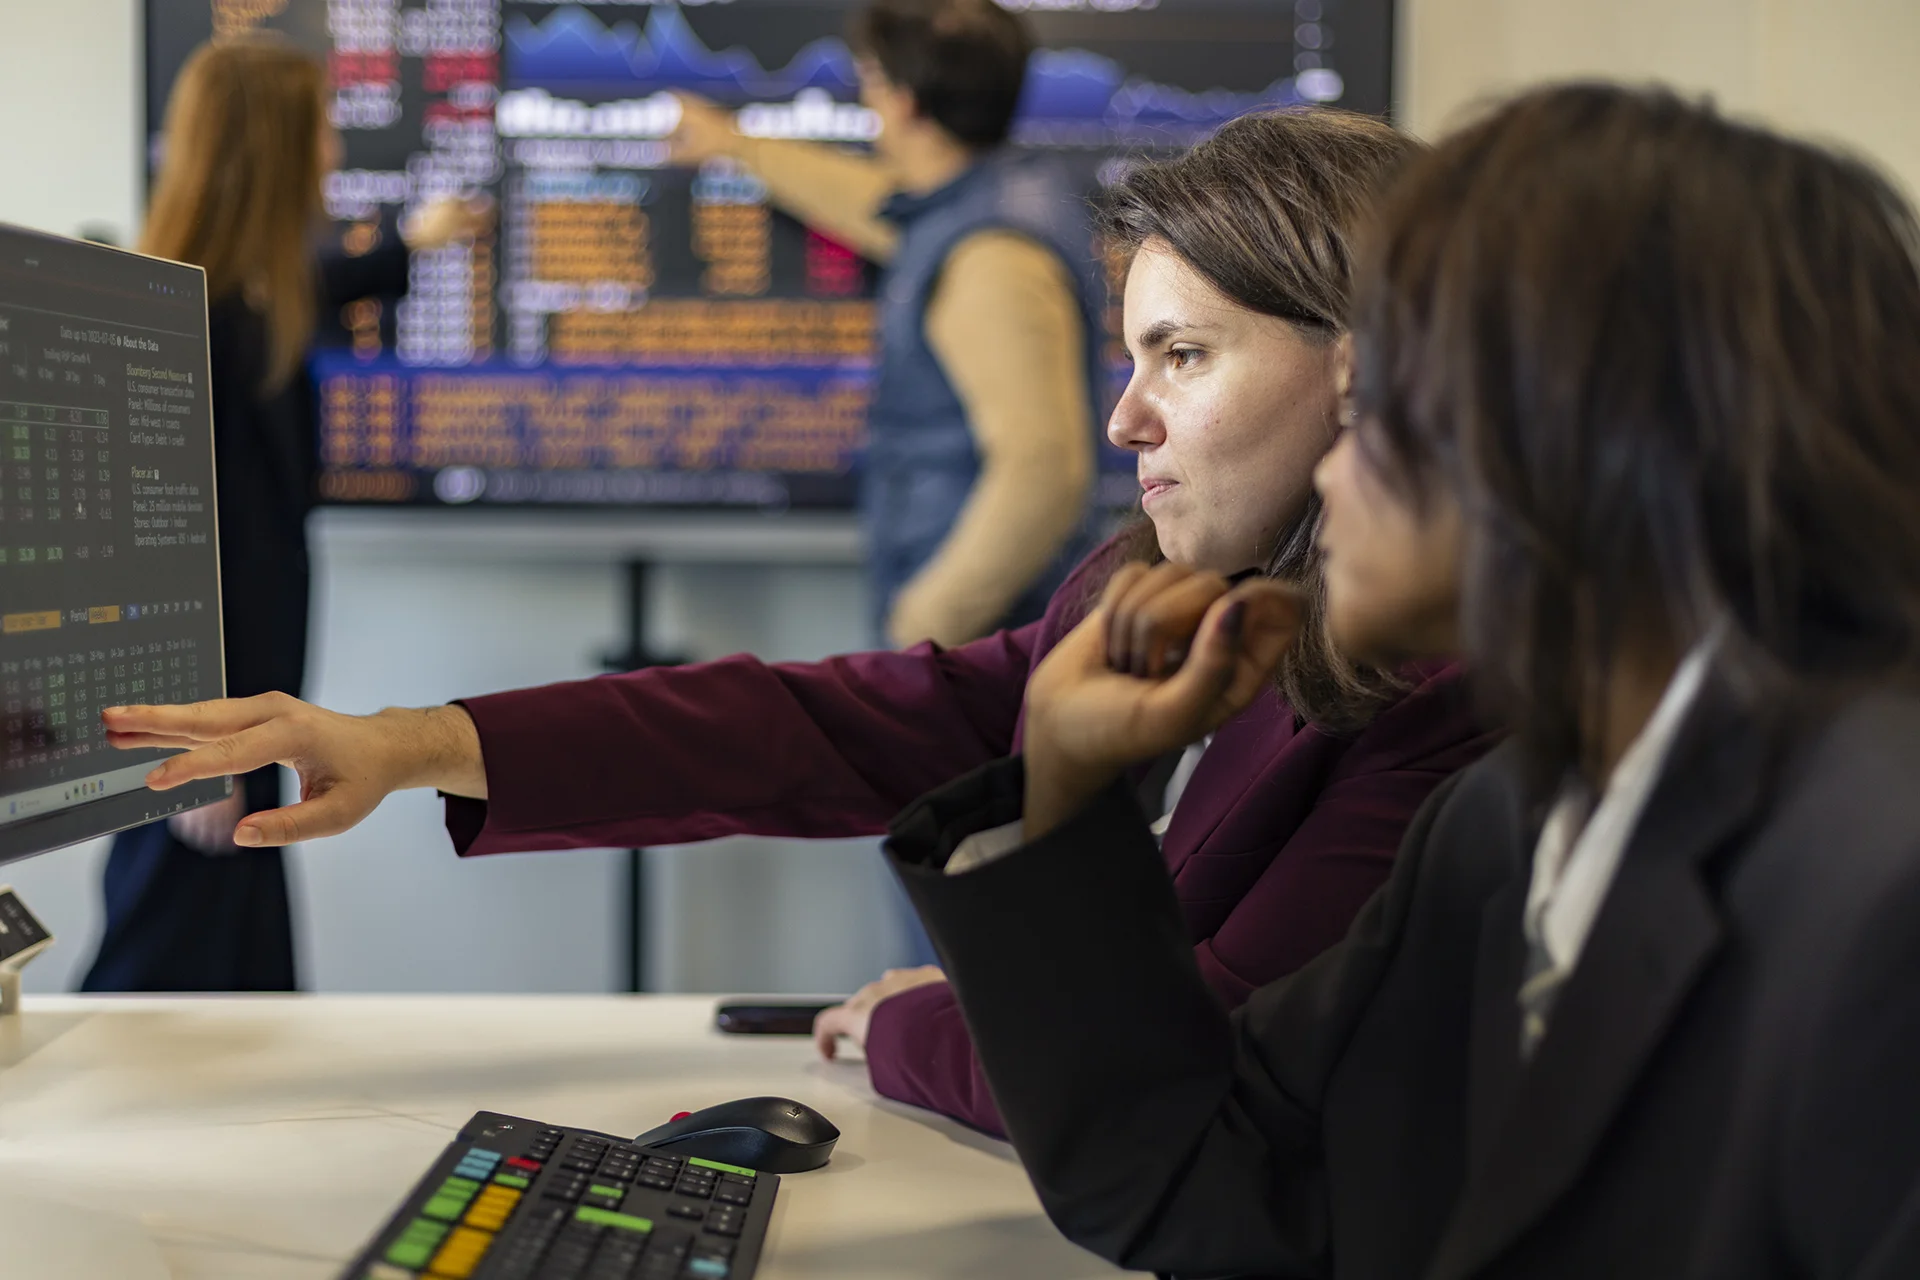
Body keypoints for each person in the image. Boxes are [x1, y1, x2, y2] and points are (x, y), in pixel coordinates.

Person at [100, 110, 1492, 1135]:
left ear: (1372, 369)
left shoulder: (1443, 692)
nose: (1125, 418)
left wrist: (912, 1028)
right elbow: (820, 724)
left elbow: (1195, 1082)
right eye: (1130, 357)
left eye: (1182, 357)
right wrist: (411, 745)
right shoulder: (1155, 601)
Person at [879, 85, 1920, 1277]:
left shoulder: (1884, 879)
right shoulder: (1513, 821)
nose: (1335, 458)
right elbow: (1217, 1185)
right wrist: (1062, 797)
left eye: (1386, 386)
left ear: (1575, 406)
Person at [81, 36, 487, 992]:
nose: (333, 157)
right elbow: (165, 553)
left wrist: (412, 245)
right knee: (167, 968)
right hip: (214, 726)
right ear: (273, 147)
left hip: (245, 712)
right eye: (321, 134)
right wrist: (203, 748)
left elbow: (316, 289)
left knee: (237, 968)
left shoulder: (233, 296)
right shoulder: (195, 326)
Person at [669, 0, 1104, 649]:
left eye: (869, 80)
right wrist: (732, 144)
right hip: (976, 647)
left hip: (977, 657)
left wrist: (922, 626)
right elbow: (871, 202)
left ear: (904, 103)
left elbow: (1043, 474)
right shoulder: (980, 197)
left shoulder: (990, 263)